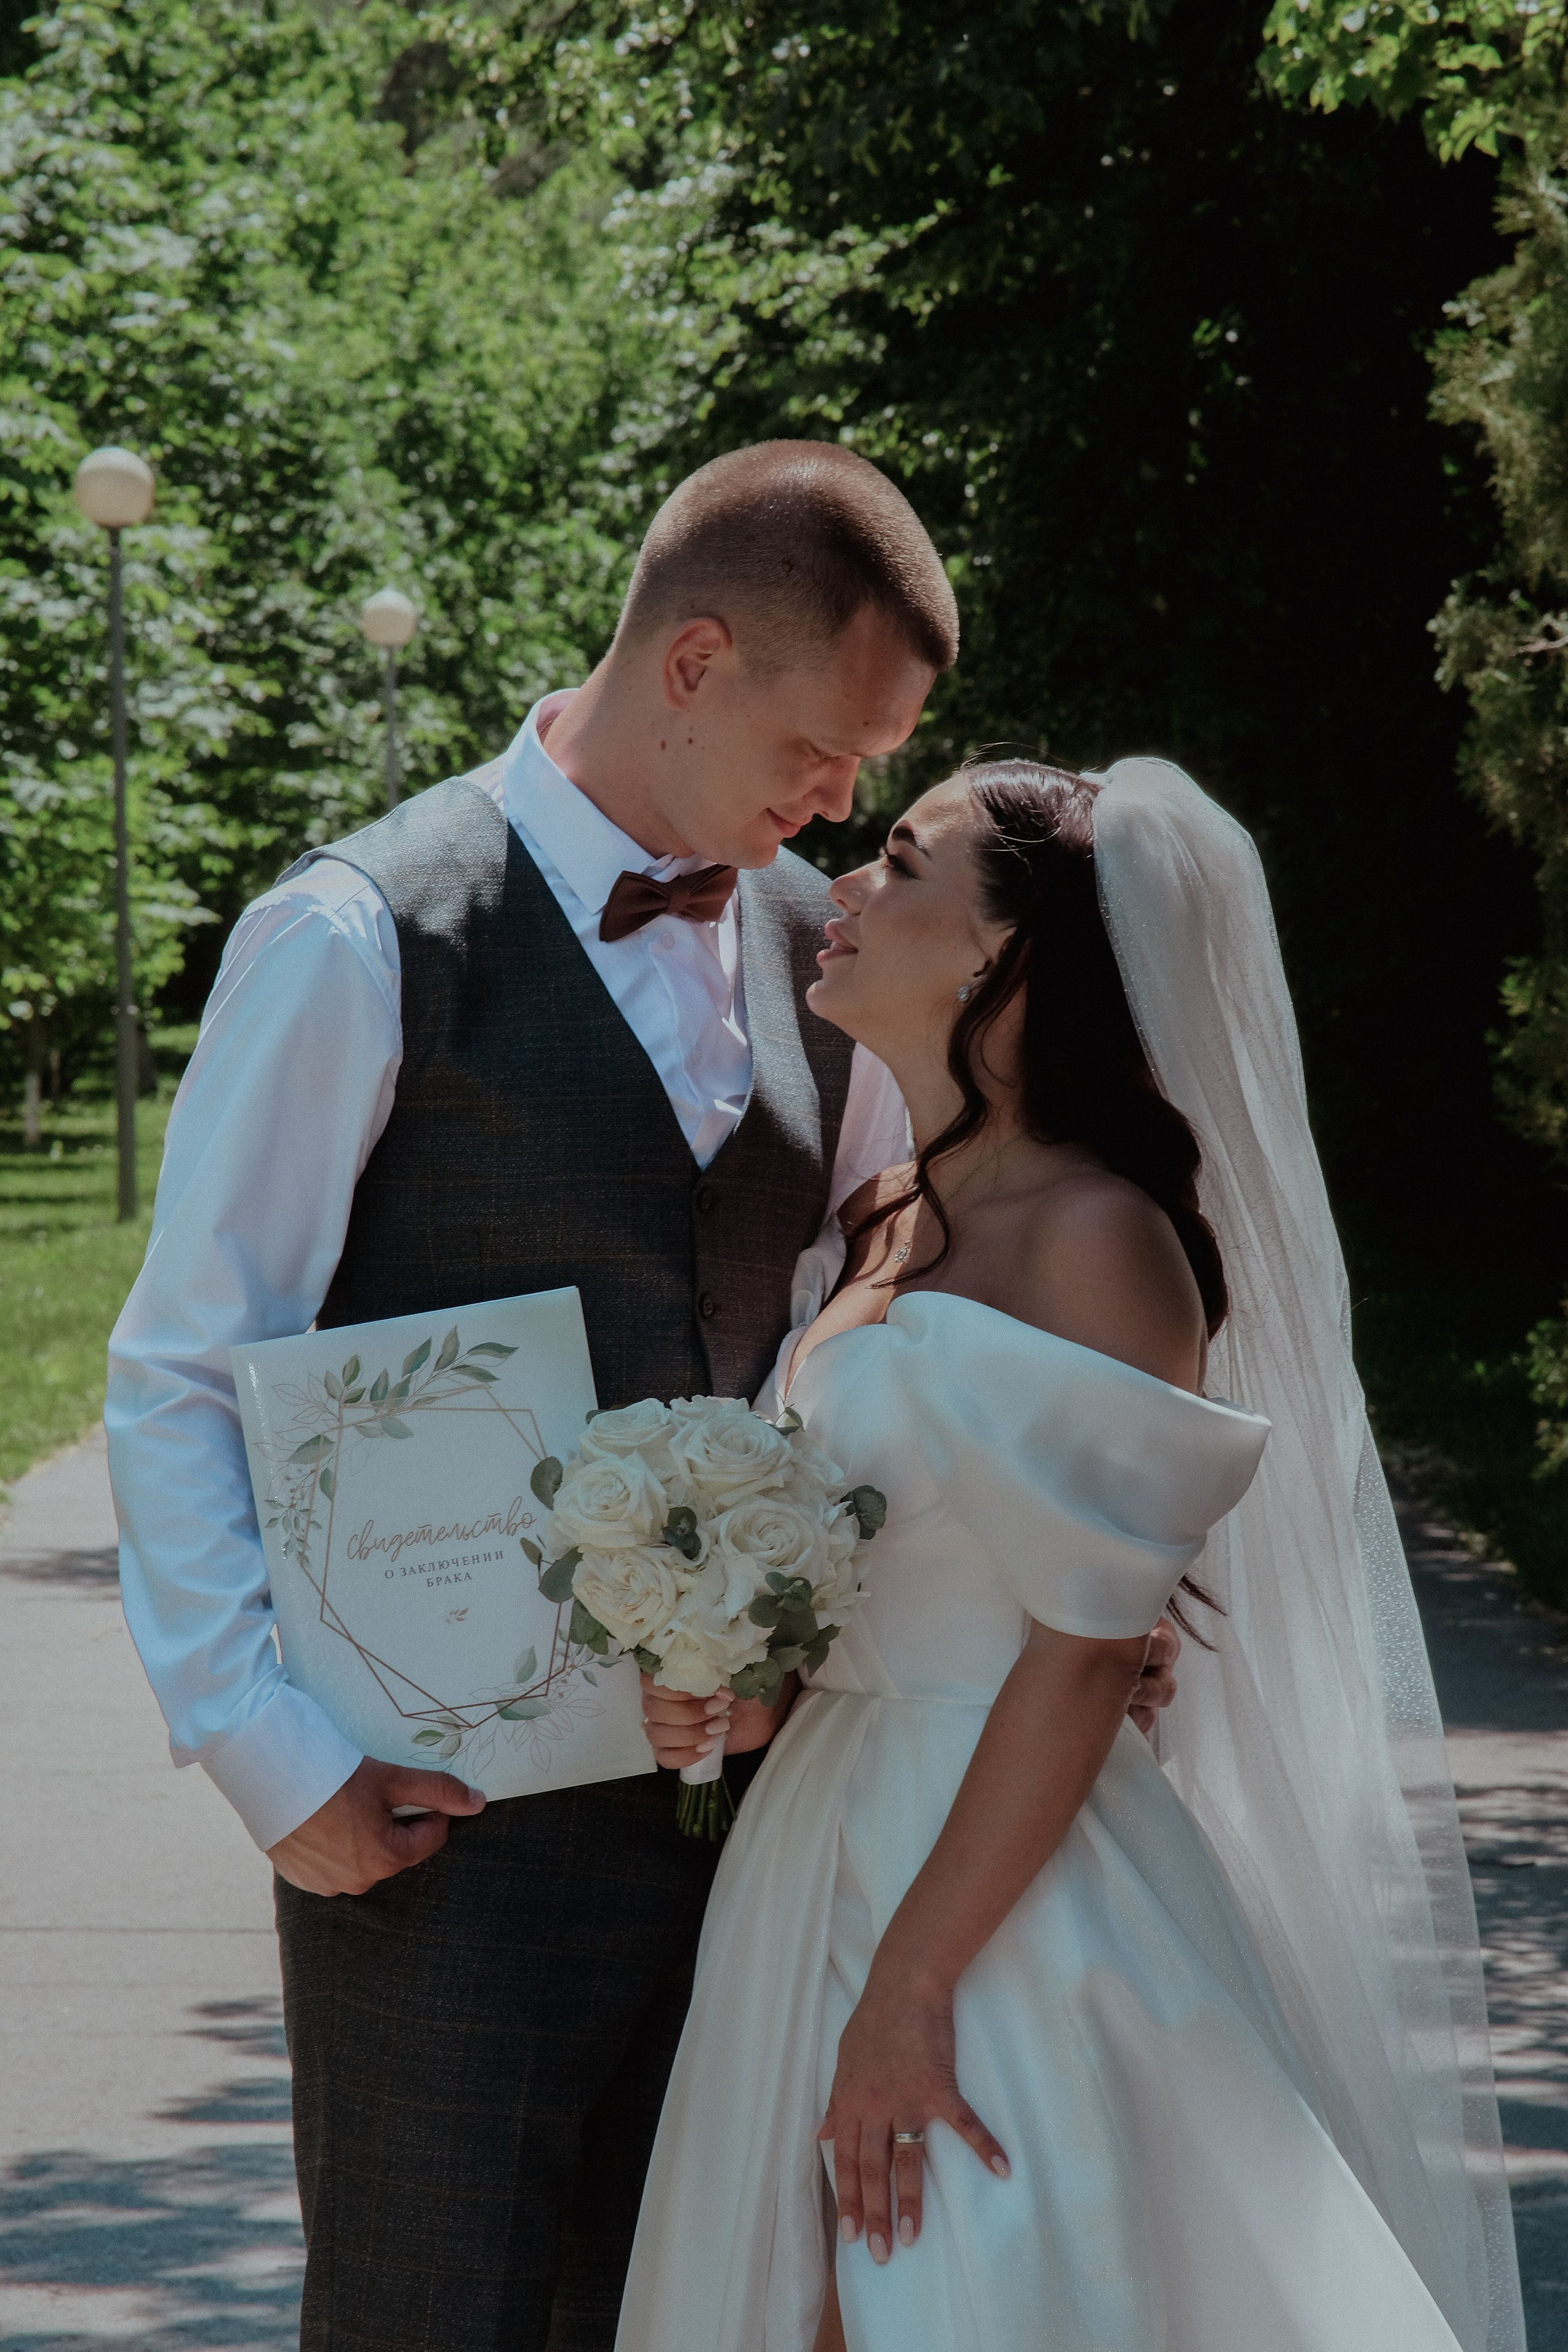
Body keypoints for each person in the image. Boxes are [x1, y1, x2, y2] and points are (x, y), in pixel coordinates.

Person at [105, 441, 1180, 2352]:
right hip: (432, 1830)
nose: (845, 809)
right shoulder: (363, 937)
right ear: (694, 662)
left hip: (758, 1839)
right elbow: (187, 1365)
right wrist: (273, 1762)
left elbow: (889, 1307)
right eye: (830, 749)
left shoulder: (814, 960)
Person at [625, 758, 1526, 2352]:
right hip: (819, 1835)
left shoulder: (1101, 1235)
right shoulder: (892, 1209)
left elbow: (1090, 1645)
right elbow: (883, 1558)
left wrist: (913, 1989)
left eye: (901, 863)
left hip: (998, 1897)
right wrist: (734, 1680)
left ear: (1004, 952)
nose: (841, 890)